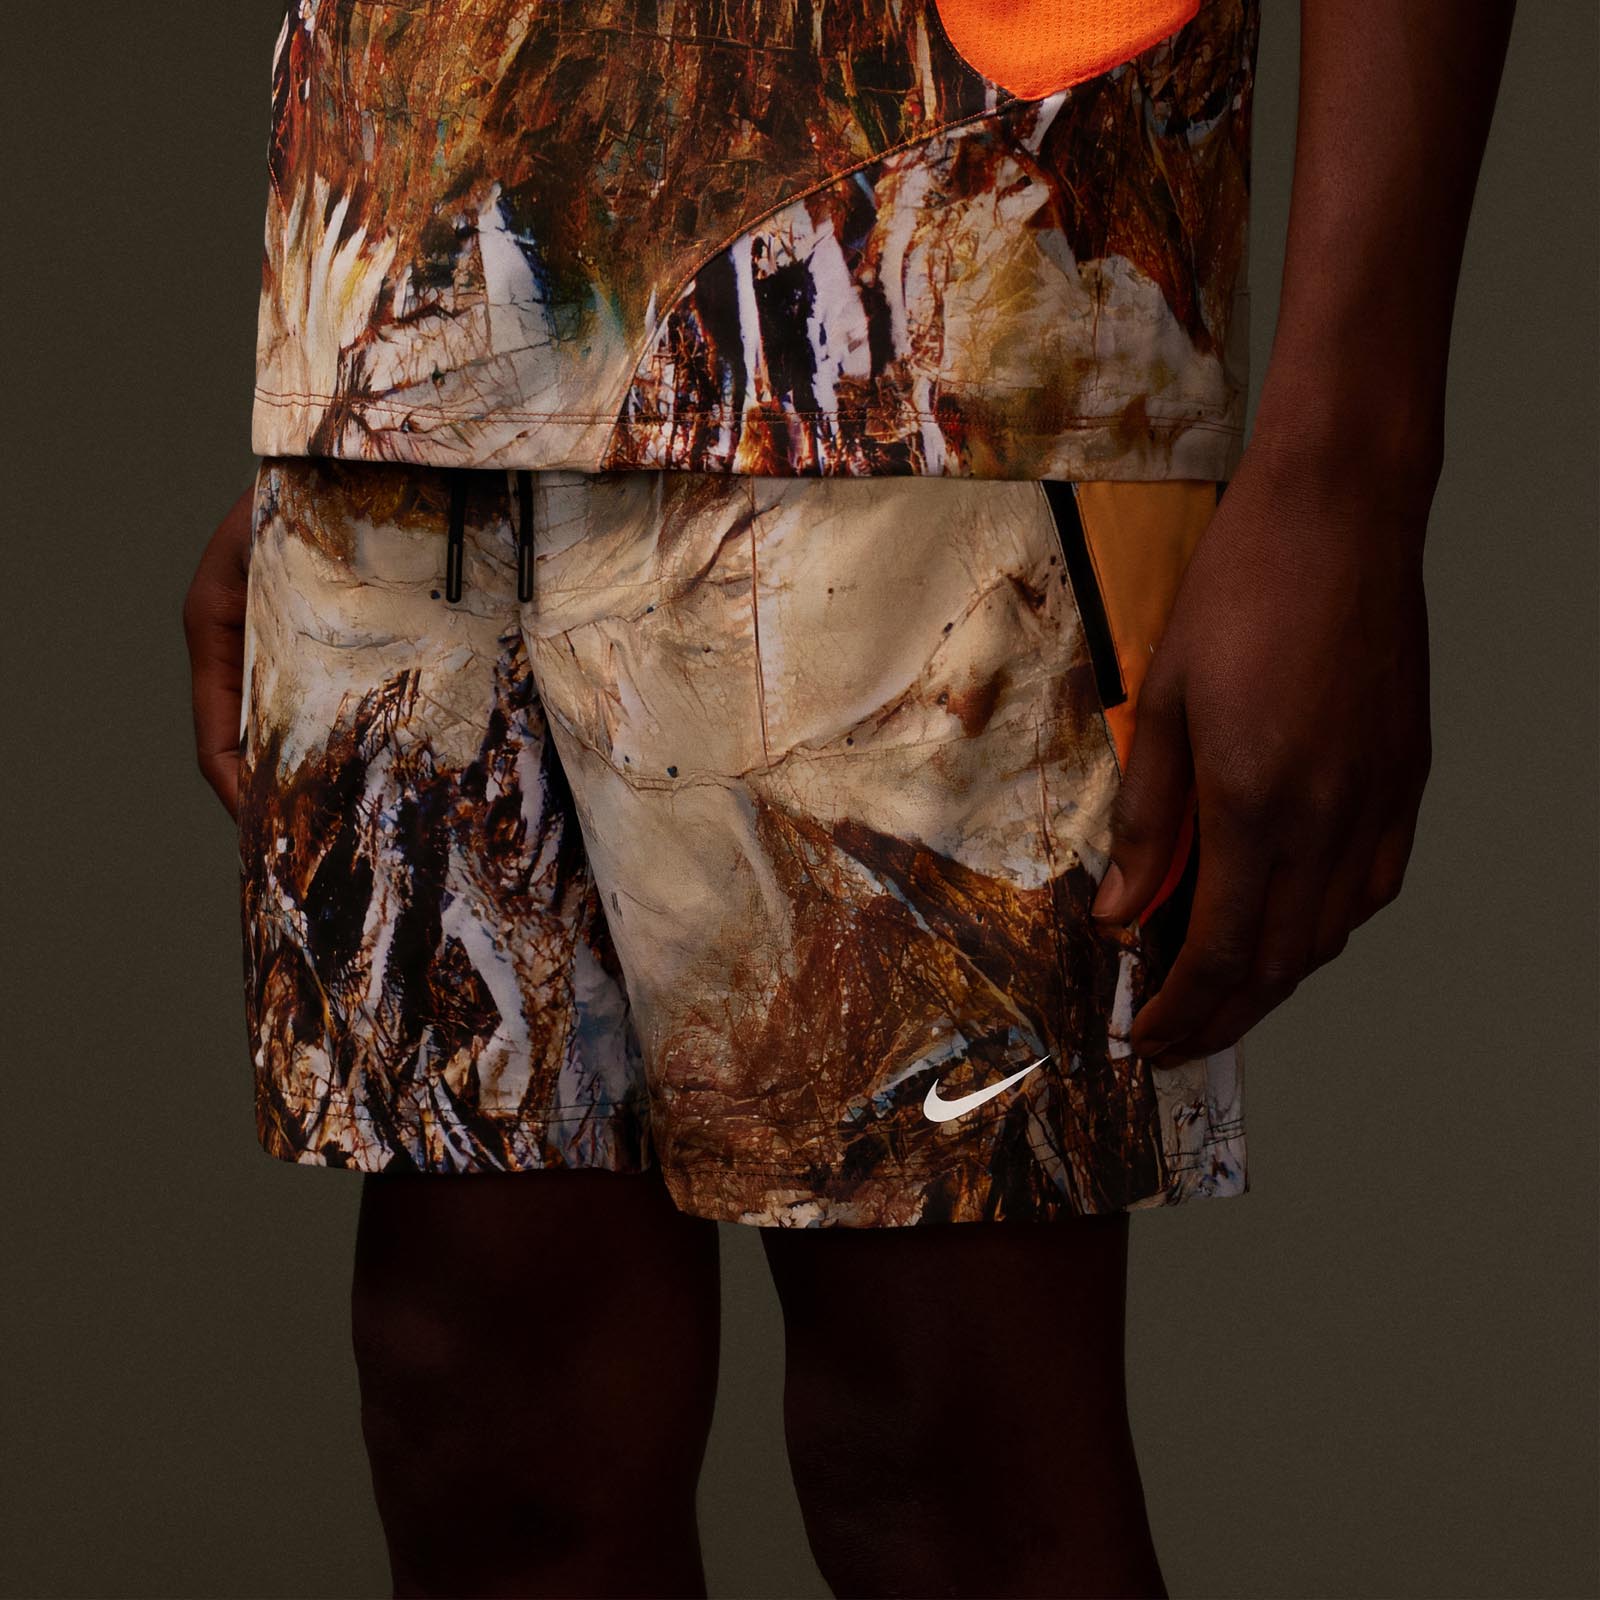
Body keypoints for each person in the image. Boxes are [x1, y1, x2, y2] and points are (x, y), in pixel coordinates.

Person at [183, 3, 1514, 1594]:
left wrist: (1352, 468)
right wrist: (364, 395)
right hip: (399, 319)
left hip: (933, 300)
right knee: (482, 1415)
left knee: (950, 1456)